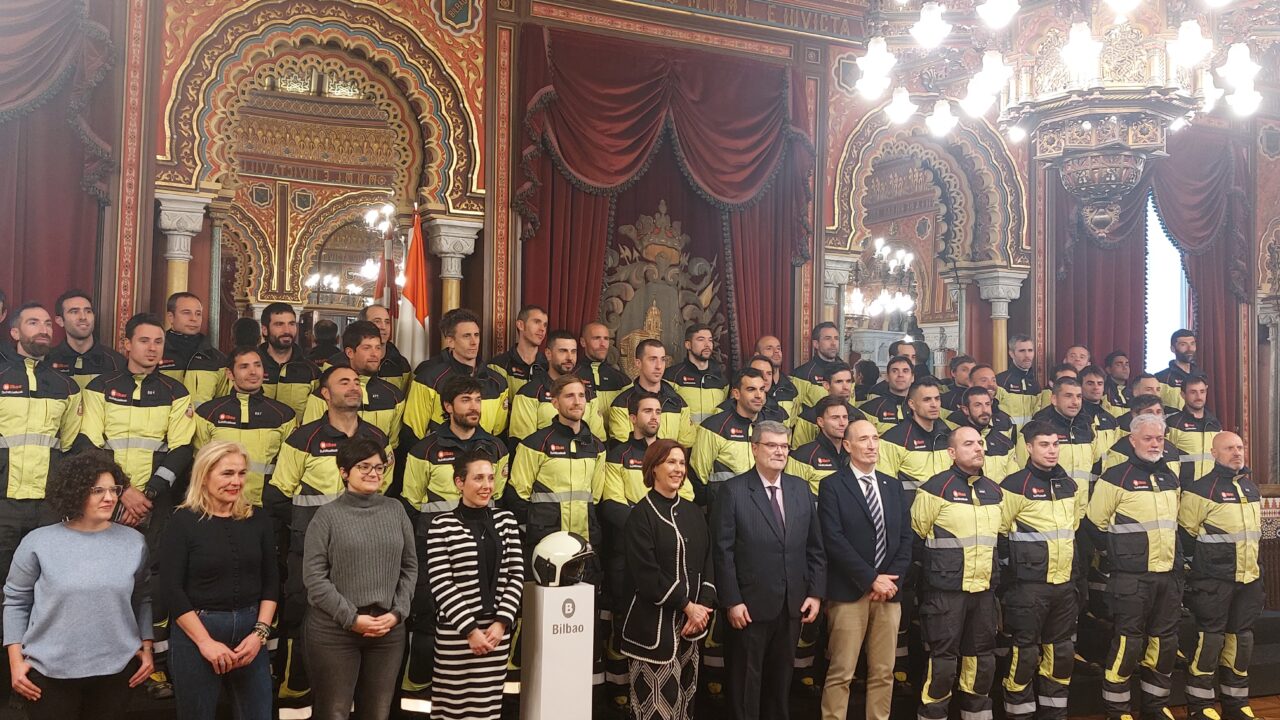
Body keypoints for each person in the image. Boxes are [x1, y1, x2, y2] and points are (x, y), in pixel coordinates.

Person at [76, 312, 195, 698]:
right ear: (126, 344)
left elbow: (180, 450)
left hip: (155, 507)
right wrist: (123, 490)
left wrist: (148, 497)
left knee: (153, 586)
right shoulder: (99, 387)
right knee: (102, 583)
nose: (152, 349)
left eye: (158, 342)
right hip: (106, 501)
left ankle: (154, 667)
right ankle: (99, 666)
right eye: (144, 341)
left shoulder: (177, 393)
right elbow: (88, 444)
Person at [262, 366, 389, 711]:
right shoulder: (302, 439)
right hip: (310, 554)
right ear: (325, 394)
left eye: (356, 382)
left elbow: (382, 497)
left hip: (363, 556)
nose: (353, 387)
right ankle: (294, 702)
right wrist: (310, 530)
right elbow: (277, 497)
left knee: (354, 624)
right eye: (343, 382)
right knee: (299, 622)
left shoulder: (377, 439)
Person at [3, 452, 154, 720]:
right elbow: (16, 601)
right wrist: (15, 663)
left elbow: (142, 598)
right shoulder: (39, 542)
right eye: (98, 490)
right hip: (49, 675)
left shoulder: (134, 543)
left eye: (114, 489)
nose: (109, 498)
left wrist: (147, 646)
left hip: (116, 674)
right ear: (74, 492)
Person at [712, 420, 825, 720]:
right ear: (754, 448)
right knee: (745, 683)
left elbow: (815, 547)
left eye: (784, 446)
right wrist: (732, 601)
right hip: (749, 605)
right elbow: (722, 552)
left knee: (780, 683)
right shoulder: (733, 491)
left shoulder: (800, 489)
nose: (779, 451)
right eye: (771, 445)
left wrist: (815, 592)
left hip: (792, 604)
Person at [162, 441, 278, 720]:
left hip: (251, 633)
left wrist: (260, 634)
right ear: (204, 475)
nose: (236, 481)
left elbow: (272, 581)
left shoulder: (258, 519)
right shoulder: (182, 522)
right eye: (227, 473)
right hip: (197, 632)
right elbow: (171, 589)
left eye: (241, 473)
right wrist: (205, 643)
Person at [303, 437, 417, 720]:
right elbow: (314, 578)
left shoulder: (396, 510)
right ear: (344, 472)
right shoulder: (326, 516)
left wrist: (397, 613)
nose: (373, 473)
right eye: (364, 467)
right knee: (334, 712)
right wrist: (351, 618)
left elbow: (410, 567)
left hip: (388, 631)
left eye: (378, 468)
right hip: (334, 632)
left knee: (378, 713)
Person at [1086, 414, 1181, 720]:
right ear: (1132, 440)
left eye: (1159, 439)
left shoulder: (1170, 478)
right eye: (1148, 438)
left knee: (1163, 645)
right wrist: (1120, 556)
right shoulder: (1114, 477)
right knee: (1128, 644)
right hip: (1131, 579)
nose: (1155, 444)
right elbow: (1094, 524)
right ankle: (1118, 711)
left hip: (1166, 577)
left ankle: (1154, 708)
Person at [817, 419, 911, 720]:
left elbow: (906, 538)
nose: (871, 445)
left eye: (875, 438)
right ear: (847, 445)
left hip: (889, 593)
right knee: (842, 670)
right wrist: (871, 579)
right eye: (863, 439)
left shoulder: (892, 485)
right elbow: (833, 539)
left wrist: (889, 580)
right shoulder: (832, 485)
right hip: (849, 591)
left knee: (884, 671)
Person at [911, 426, 1003, 720]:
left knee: (981, 663)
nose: (978, 448)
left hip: (984, 592)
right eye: (968, 444)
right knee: (943, 665)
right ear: (952, 453)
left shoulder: (994, 491)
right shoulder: (934, 489)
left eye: (980, 442)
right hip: (946, 593)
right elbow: (915, 538)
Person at [424, 450, 523, 720]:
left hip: (496, 635)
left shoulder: (507, 521)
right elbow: (441, 582)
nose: (487, 485)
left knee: (487, 710)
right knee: (452, 709)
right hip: (457, 636)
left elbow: (516, 574)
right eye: (478, 478)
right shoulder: (441, 525)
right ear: (459, 482)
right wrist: (470, 630)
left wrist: (502, 622)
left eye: (491, 478)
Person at [620, 439, 715, 720]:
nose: (678, 469)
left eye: (682, 463)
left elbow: (709, 561)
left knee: (685, 708)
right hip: (652, 631)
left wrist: (703, 607)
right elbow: (647, 576)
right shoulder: (641, 515)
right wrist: (688, 606)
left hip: (691, 628)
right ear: (653, 468)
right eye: (671, 462)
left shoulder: (693, 512)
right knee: (656, 713)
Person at [998, 420, 1086, 720]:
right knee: (1025, 655)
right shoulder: (1013, 485)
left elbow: (1073, 531)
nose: (1052, 450)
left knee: (1061, 656)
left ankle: (1054, 715)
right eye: (1044, 444)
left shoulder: (1069, 486)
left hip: (1063, 586)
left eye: (1056, 444)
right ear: (1029, 447)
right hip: (1027, 587)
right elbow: (998, 532)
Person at [1178, 432, 1263, 720]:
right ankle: (1200, 707)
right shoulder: (1200, 489)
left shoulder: (1251, 489)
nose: (1236, 452)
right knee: (1210, 642)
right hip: (1213, 581)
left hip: (1248, 580)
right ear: (1214, 453)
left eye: (1240, 447)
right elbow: (1185, 536)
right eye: (1229, 448)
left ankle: (1236, 705)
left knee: (1241, 642)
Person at [0, 304, 82, 595]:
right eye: (33, 322)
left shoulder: (67, 386)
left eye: (48, 323)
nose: (44, 329)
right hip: (3, 502)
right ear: (15, 332)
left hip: (47, 505)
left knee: (45, 585)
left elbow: (71, 446)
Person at [194, 347, 297, 507]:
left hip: (265, 507)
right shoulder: (208, 413)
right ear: (230, 374)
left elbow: (289, 467)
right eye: (244, 367)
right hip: (217, 505)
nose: (253, 372)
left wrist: (273, 499)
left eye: (257, 365)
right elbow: (200, 463)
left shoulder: (284, 415)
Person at [403, 375, 511, 523]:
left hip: (481, 534)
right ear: (448, 406)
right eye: (466, 400)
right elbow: (411, 504)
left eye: (478, 400)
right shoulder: (424, 450)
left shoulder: (496, 448)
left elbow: (497, 499)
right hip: (437, 537)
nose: (474, 407)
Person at [301, 322, 405, 465]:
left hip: (374, 481)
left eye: (378, 348)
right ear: (350, 352)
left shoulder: (394, 396)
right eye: (367, 348)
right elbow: (309, 440)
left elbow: (391, 447)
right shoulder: (323, 395)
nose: (375, 354)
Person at [404, 308, 510, 441]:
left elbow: (499, 437)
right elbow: (412, 434)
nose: (474, 342)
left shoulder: (498, 382)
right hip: (441, 458)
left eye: (476, 335)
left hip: (482, 458)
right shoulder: (428, 379)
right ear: (450, 341)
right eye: (466, 336)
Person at [511, 329, 605, 441]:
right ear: (548, 354)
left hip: (583, 457)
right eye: (563, 351)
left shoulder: (588, 394)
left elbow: (599, 442)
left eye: (573, 351)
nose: (570, 357)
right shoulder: (529, 393)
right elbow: (522, 444)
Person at [607, 339, 697, 446]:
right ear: (638, 363)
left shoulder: (678, 402)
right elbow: (623, 451)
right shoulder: (622, 404)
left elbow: (685, 447)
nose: (659, 366)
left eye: (662, 360)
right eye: (653, 359)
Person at [691, 368, 767, 494]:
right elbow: (698, 477)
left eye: (762, 389)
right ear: (736, 394)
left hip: (763, 507)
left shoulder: (770, 427)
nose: (759, 395)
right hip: (725, 508)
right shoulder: (713, 427)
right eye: (751, 389)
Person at [1017, 378, 1098, 490]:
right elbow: (1022, 470)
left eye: (1079, 396)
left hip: (1080, 502)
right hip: (1046, 500)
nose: (1075, 402)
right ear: (1054, 399)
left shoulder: (1087, 426)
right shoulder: (1035, 428)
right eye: (1068, 396)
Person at [876, 378, 951, 496]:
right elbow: (884, 485)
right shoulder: (893, 439)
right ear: (912, 404)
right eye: (927, 400)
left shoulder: (949, 436)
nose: (934, 404)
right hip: (909, 511)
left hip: (944, 511)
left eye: (937, 399)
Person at [160, 292, 229, 408]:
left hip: (200, 425)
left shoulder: (217, 359)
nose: (194, 319)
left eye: (198, 314)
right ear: (171, 317)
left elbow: (223, 404)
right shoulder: (156, 353)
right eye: (186, 313)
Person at [47, 289, 126, 389]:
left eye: (88, 311)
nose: (83, 317)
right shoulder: (47, 361)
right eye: (74, 312)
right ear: (60, 321)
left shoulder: (116, 362)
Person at [258, 302, 320, 419]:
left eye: (291, 324)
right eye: (279, 324)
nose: (287, 330)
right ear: (265, 330)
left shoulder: (311, 371)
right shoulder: (252, 366)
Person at [665, 323, 729, 424]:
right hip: (684, 438)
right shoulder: (672, 376)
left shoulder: (721, 378)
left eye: (710, 340)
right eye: (701, 339)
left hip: (711, 438)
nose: (707, 344)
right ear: (688, 345)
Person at [787, 396, 852, 495]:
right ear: (821, 422)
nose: (842, 423)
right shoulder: (802, 456)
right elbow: (792, 497)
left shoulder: (854, 453)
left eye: (845, 417)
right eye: (835, 418)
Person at [791, 364, 865, 448]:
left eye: (848, 381)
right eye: (839, 382)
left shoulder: (859, 417)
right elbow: (799, 453)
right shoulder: (808, 418)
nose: (846, 387)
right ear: (826, 385)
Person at [953, 386, 1017, 482]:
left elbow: (1013, 483)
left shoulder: (1006, 444)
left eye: (987, 404)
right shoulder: (955, 442)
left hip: (998, 496)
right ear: (965, 410)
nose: (985, 410)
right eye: (978, 405)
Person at [1166, 375, 1222, 482]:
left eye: (1202, 391)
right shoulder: (1173, 424)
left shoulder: (1215, 424)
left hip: (1211, 489)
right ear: (1183, 395)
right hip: (1184, 488)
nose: (1198, 396)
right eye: (1193, 392)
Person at [487, 304, 548, 396]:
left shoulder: (549, 365)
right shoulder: (499, 365)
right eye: (536, 322)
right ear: (520, 325)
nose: (542, 329)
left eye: (545, 325)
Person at [576, 322, 628, 417]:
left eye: (606, 339)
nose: (603, 344)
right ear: (583, 342)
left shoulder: (623, 381)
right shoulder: (571, 377)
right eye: (596, 338)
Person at [358, 304, 413, 392]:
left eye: (387, 322)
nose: (383, 327)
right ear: (362, 325)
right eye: (377, 321)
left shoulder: (402, 365)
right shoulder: (340, 362)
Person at [791, 323, 844, 408]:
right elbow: (794, 410)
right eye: (828, 338)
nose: (833, 343)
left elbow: (851, 406)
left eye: (836, 338)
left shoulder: (847, 372)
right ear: (816, 344)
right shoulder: (802, 374)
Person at [997, 333, 1042, 426]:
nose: (1027, 355)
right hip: (1008, 437)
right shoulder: (1001, 381)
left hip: (1030, 436)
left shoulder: (1035, 383)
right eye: (1022, 351)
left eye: (1030, 350)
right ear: (1012, 354)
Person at [860, 356, 913, 434]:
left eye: (905, 371)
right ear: (887, 377)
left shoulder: (921, 408)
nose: (900, 375)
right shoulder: (870, 409)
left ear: (913, 377)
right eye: (895, 371)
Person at [755, 336, 802, 423]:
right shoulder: (747, 388)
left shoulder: (791, 389)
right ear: (757, 355)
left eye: (778, 348)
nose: (776, 351)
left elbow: (793, 424)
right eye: (769, 348)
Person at [1079, 365, 1122, 452]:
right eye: (1090, 383)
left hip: (1106, 464)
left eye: (1100, 383)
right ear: (1080, 386)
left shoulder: (1111, 420)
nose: (1096, 387)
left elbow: (1113, 452)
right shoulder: (1074, 418)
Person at [1154, 328, 1198, 410]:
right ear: (1172, 349)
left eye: (1192, 344)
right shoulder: (1160, 378)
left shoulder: (1201, 376)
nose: (1189, 349)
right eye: (1183, 344)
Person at [1102, 350, 1132, 417]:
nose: (1125, 367)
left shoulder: (1133, 392)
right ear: (1108, 369)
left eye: (1127, 364)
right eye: (1119, 364)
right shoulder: (1102, 391)